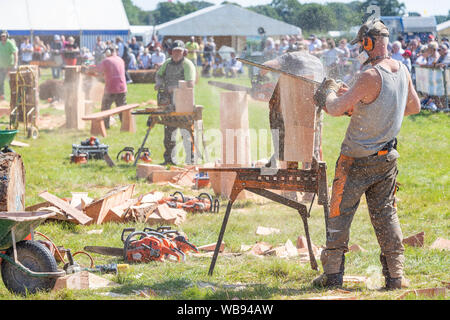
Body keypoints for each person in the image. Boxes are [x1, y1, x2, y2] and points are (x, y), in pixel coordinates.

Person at [312, 20, 421, 290]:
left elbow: (336, 108)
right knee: (386, 215)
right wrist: (374, 110)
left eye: (362, 45)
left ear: (368, 43)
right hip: (386, 159)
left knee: (339, 214)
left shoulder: (370, 75)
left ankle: (333, 275)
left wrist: (325, 95)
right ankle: (395, 277)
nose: (361, 49)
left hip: (356, 160)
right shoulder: (402, 70)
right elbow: (414, 106)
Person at [260, 42, 324, 169]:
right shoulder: (317, 61)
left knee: (290, 138)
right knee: (312, 142)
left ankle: (291, 177)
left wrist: (258, 79)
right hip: (316, 105)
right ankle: (311, 176)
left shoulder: (291, 56)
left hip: (296, 104)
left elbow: (265, 66)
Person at [155, 40, 196, 165]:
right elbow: (159, 75)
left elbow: (190, 84)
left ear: (184, 52)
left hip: (184, 103)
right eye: (175, 51)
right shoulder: (167, 63)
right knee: (169, 132)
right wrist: (159, 83)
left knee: (186, 132)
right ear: (171, 52)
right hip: (168, 103)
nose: (177, 53)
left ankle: (191, 159)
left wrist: (174, 88)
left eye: (179, 51)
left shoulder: (187, 64)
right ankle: (169, 159)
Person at [91, 45, 127, 129]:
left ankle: (105, 126)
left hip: (111, 88)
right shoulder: (121, 60)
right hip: (122, 88)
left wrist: (87, 69)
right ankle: (125, 126)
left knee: (105, 108)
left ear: (108, 52)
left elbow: (97, 69)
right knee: (121, 108)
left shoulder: (106, 61)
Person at [0, 31, 18, 100]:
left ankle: (14, 95)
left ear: (7, 36)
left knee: (12, 81)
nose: (3, 37)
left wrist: (15, 64)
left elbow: (15, 54)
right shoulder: (0, 44)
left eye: (4, 36)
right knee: (0, 81)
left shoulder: (10, 43)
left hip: (10, 66)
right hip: (1, 67)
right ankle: (2, 95)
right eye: (2, 36)